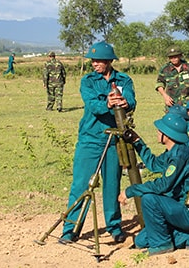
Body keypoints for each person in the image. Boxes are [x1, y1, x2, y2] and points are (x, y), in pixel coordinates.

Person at [60, 41, 136, 244]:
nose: (95, 64)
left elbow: (132, 101)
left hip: (114, 141)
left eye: (99, 61)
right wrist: (108, 103)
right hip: (90, 140)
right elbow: (92, 105)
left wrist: (124, 101)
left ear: (110, 61)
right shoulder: (88, 81)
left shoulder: (124, 80)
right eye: (93, 61)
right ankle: (71, 229)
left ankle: (114, 226)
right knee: (81, 185)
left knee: (112, 185)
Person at [118, 113, 189, 255]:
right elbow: (153, 164)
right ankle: (187, 237)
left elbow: (163, 185)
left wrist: (130, 191)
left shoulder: (180, 156)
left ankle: (163, 245)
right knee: (141, 241)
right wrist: (137, 142)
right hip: (177, 210)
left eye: (160, 130)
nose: (157, 132)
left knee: (149, 199)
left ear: (167, 134)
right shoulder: (172, 152)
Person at [156, 46, 189, 110]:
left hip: (187, 104)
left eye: (175, 56)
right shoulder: (165, 69)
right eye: (171, 57)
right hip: (172, 104)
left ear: (180, 56)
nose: (173, 59)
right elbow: (159, 84)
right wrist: (165, 96)